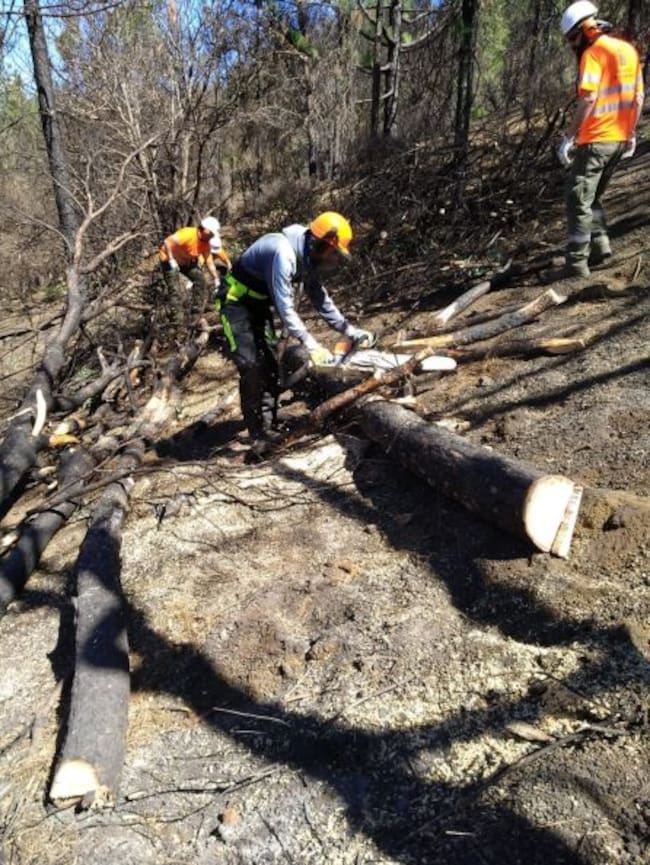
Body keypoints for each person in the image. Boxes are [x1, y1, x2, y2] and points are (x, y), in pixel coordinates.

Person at [216, 211, 374, 451]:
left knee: (269, 364)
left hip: (258, 303)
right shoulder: (284, 253)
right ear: (320, 243)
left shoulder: (307, 256)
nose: (332, 258)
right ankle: (258, 433)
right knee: (251, 364)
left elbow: (321, 299)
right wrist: (310, 343)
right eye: (332, 252)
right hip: (235, 301)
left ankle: (269, 424)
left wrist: (349, 330)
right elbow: (284, 307)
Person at [550, 2, 644, 281]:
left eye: (570, 39)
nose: (570, 46)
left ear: (583, 31)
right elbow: (638, 98)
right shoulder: (628, 50)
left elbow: (588, 98)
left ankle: (576, 264)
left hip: (596, 139)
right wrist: (630, 133)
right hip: (618, 139)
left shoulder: (593, 54)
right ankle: (600, 246)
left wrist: (570, 137)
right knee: (593, 197)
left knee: (578, 197)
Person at [158, 216, 225, 325]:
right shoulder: (188, 234)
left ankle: (195, 315)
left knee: (200, 280)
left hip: (185, 261)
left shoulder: (206, 244)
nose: (212, 236)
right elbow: (167, 242)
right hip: (168, 260)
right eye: (211, 234)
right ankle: (177, 322)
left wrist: (216, 280)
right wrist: (171, 259)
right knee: (175, 290)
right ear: (205, 230)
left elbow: (209, 263)